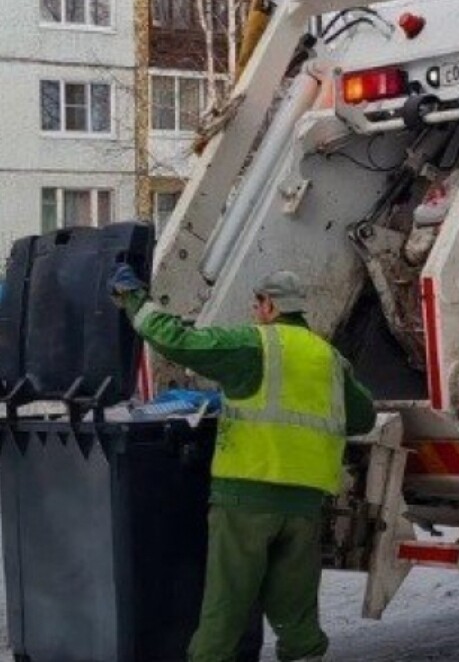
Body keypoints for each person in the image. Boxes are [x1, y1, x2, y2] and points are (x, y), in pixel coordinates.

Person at [108, 266, 376, 662]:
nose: (254, 312)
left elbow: (178, 341)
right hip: (304, 506)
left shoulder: (254, 346)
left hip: (247, 500)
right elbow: (362, 417)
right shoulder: (330, 359)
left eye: (256, 304)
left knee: (226, 607)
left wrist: (135, 301)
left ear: (270, 306)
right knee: (296, 614)